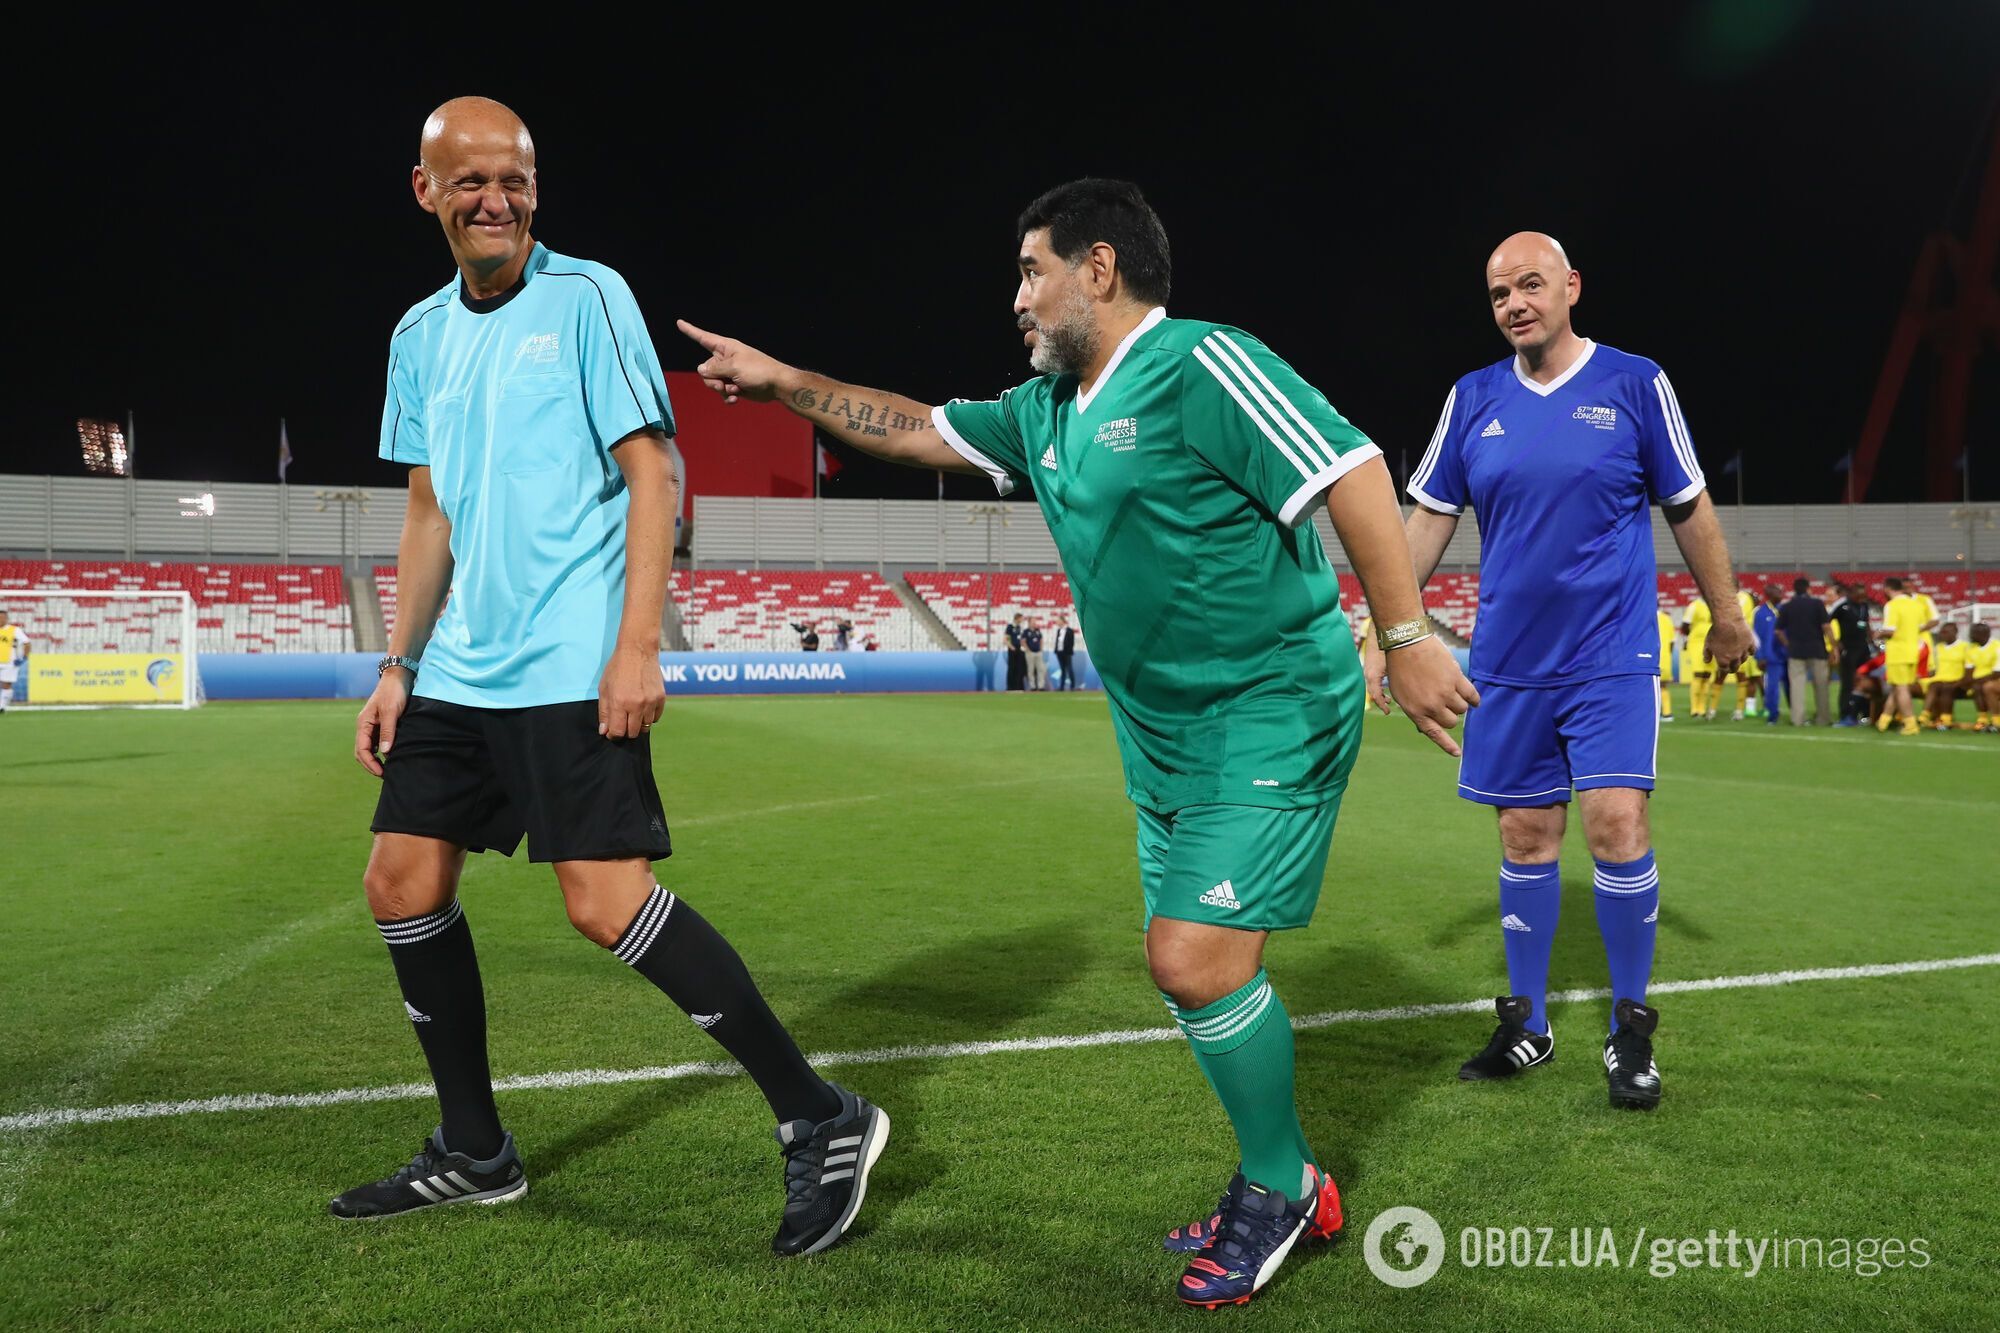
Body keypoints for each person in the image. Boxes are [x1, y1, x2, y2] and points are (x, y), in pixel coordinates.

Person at [679, 177, 1475, 1308]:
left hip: (1269, 708)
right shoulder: (1044, 410)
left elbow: (1350, 467)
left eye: (1029, 270)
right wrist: (783, 383)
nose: (1016, 297)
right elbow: (912, 429)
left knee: (1189, 960)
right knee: (1196, 969)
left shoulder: (1200, 362)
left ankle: (1281, 1185)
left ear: (1097, 268)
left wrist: (1401, 635)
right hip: (1157, 735)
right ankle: (1286, 1174)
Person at [344, 98, 885, 1255]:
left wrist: (636, 643)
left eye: (517, 179)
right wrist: (398, 660)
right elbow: (430, 507)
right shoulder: (417, 335)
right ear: (425, 190)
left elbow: (655, 474)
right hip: (459, 667)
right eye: (472, 180)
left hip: (568, 659)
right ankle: (474, 1150)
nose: (498, 199)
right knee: (400, 880)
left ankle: (821, 1117)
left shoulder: (586, 298)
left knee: (603, 902)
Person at [1388, 231, 1750, 1112]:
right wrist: (1388, 628)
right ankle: (1530, 1025)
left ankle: (1631, 1030)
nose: (1514, 302)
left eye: (1530, 285)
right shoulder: (1473, 398)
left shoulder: (1635, 382)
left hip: (1610, 656)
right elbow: (1426, 518)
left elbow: (1689, 504)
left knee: (1617, 822)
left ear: (1571, 287)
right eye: (1499, 292)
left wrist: (1729, 615)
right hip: (1509, 665)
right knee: (1524, 838)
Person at [1775, 577, 1835, 726]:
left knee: (1796, 686)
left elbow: (1778, 631)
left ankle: (1797, 719)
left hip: (1795, 650)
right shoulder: (1817, 604)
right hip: (1817, 649)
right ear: (1809, 589)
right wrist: (1834, 646)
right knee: (1821, 686)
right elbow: (1826, 627)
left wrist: (1787, 644)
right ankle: (1823, 718)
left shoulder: (1788, 606)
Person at [1875, 577, 1928, 735]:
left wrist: (1878, 633)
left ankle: (1910, 724)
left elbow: (1890, 630)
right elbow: (1921, 626)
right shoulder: (1916, 604)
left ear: (1887, 589)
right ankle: (1884, 720)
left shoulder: (1892, 605)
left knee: (1901, 688)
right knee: (1898, 687)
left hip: (1898, 651)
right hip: (1913, 651)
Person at [1830, 581, 1872, 725]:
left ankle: (1864, 715)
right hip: (1848, 649)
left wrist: (1872, 641)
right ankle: (1845, 715)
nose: (1862, 598)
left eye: (1864, 595)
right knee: (1848, 683)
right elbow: (1826, 622)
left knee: (1864, 682)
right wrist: (1835, 643)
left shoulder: (1864, 606)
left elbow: (1866, 624)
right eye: (1860, 595)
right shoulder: (1842, 606)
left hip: (1863, 649)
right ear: (1851, 594)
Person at [1925, 621, 1971, 730]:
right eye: (1941, 632)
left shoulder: (1965, 647)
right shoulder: (1937, 648)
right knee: (1934, 685)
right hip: (1940, 680)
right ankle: (1932, 717)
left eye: (1945, 632)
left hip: (1959, 681)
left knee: (1945, 688)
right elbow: (1932, 667)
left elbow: (1969, 668)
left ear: (1955, 632)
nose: (1942, 635)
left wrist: (1962, 681)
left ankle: (1945, 720)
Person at [1753, 584, 1786, 725]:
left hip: (1788, 655)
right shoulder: (1761, 613)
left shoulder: (1785, 610)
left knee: (1792, 687)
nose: (1781, 594)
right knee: (1772, 688)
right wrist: (1760, 657)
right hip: (1771, 657)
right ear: (1770, 595)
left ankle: (1798, 716)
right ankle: (1772, 715)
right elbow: (1757, 637)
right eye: (1778, 592)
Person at [1682, 592, 1714, 720]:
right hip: (1696, 642)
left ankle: (1702, 708)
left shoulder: (1713, 606)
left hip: (1711, 642)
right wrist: (1693, 635)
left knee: (1707, 675)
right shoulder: (1694, 606)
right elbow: (1685, 625)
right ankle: (1694, 709)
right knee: (1698, 674)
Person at [1968, 622, 1998, 732]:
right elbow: (1968, 670)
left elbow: (1997, 673)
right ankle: (1983, 720)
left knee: (1987, 687)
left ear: (1985, 634)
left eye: (1973, 633)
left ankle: (1996, 721)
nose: (1971, 636)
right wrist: (1967, 682)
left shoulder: (1997, 647)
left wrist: (1976, 681)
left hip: (1994, 680)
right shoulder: (1971, 648)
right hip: (1977, 681)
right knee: (1977, 687)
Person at [0, 610, 26, 713]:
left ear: (7, 619)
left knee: (7, 684)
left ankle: (2, 707)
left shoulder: (15, 630)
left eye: (2, 617)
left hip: (9, 662)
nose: (1, 619)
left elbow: (27, 642)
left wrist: (24, 657)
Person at [1655, 607, 1675, 722]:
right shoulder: (1667, 619)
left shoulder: (1647, 618)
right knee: (1663, 686)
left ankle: (1657, 713)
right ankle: (1667, 713)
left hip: (1653, 656)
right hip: (1666, 657)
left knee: (1650, 687)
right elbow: (1672, 641)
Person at [1022, 619, 1048, 690]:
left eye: (1035, 622)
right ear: (1029, 623)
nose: (1034, 624)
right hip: (1030, 653)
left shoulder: (1037, 631)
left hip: (1038, 652)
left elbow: (1041, 639)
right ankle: (1032, 686)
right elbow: (1023, 641)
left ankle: (1041, 686)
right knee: (1031, 670)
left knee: (1041, 669)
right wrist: (1028, 650)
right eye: (1033, 622)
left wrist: (1041, 648)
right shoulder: (1026, 631)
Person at [1053, 618, 1078, 690]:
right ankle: (1062, 687)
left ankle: (1072, 686)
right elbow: (1058, 642)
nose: (1057, 622)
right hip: (1059, 653)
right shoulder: (1058, 630)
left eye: (1059, 621)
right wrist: (1056, 650)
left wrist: (1069, 651)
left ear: (1063, 621)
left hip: (1067, 653)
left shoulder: (1070, 630)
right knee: (1062, 670)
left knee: (1069, 669)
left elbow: (1071, 642)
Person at [1003, 613, 1026, 691]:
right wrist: (1011, 646)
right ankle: (1010, 687)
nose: (1022, 620)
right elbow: (1006, 638)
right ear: (1017, 618)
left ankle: (1018, 686)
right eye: (1021, 618)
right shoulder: (1010, 627)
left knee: (1019, 668)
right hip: (1012, 649)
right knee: (1011, 668)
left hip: (1019, 649)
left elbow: (1021, 639)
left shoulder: (1020, 627)